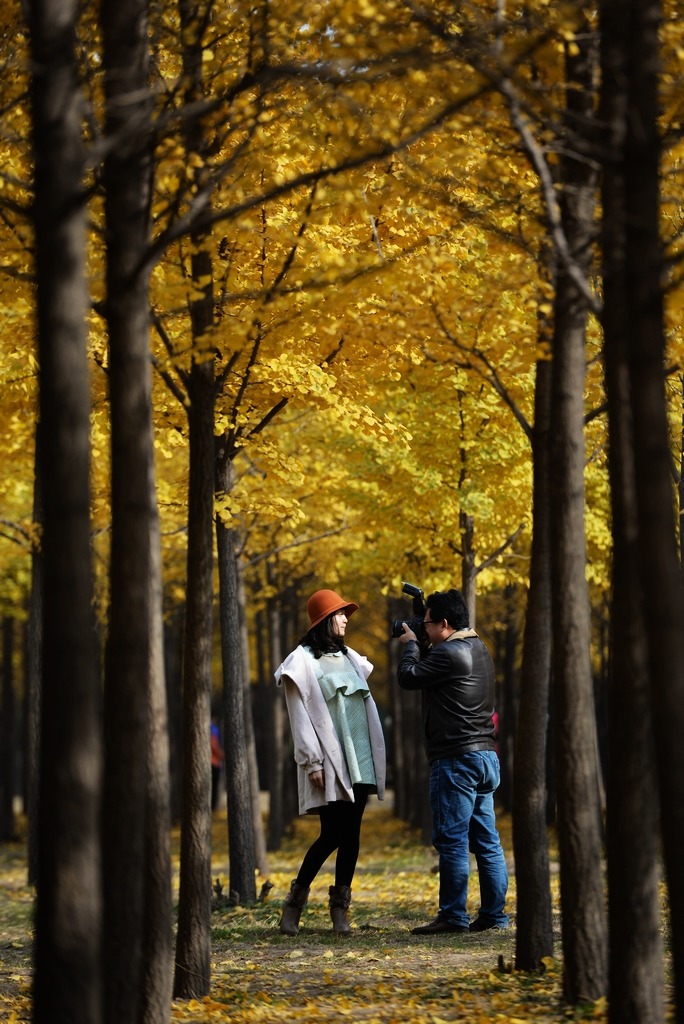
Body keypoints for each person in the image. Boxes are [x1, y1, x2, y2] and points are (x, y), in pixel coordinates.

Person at [395, 588, 509, 935]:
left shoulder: (450, 654)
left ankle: (453, 916)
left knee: (452, 840)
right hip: (484, 757)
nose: (423, 628)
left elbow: (408, 677)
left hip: (457, 760)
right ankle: (493, 915)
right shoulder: (478, 649)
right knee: (487, 840)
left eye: (428, 623)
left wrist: (411, 643)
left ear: (444, 624)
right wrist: (421, 630)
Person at [274, 589, 386, 936]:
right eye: (339, 613)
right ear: (324, 619)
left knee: (351, 834)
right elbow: (299, 716)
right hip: (329, 761)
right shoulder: (302, 661)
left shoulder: (352, 658)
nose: (346, 618)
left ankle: (340, 911)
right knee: (332, 834)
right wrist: (312, 763)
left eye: (346, 613)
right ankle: (295, 902)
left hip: (360, 758)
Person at [210, 714, 224, 812]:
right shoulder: (213, 730)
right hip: (213, 762)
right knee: (213, 786)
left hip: (215, 761)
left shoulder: (214, 729)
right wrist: (221, 755)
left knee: (214, 786)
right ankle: (213, 806)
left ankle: (213, 806)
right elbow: (214, 745)